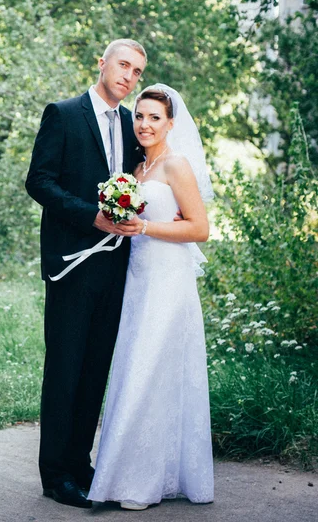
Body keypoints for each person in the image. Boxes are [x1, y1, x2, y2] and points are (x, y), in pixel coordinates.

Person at [25, 39, 147, 509]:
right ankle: (55, 476)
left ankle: (80, 465)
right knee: (65, 370)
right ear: (102, 64)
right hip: (72, 264)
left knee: (95, 369)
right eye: (122, 65)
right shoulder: (63, 113)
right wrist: (90, 216)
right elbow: (39, 181)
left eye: (136, 72)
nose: (128, 77)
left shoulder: (129, 122)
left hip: (117, 265)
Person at [87, 84, 215, 510]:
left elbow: (199, 229)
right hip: (138, 279)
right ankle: (133, 472)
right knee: (134, 368)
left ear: (170, 123)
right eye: (139, 116)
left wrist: (146, 227)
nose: (144, 124)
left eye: (154, 118)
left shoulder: (176, 166)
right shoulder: (137, 171)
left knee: (150, 370)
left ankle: (140, 484)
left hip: (168, 280)